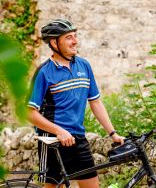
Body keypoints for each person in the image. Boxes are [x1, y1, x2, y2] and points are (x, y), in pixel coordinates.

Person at [27, 19, 124, 188]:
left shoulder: (84, 65)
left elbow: (95, 102)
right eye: (69, 37)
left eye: (75, 36)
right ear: (54, 43)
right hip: (53, 141)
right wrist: (59, 131)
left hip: (79, 139)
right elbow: (30, 113)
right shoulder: (44, 72)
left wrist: (113, 133)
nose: (75, 41)